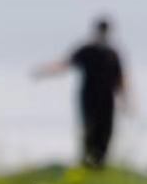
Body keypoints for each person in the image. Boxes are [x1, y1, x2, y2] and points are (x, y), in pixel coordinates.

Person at [32, 17, 133, 168]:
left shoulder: (107, 52)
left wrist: (126, 100)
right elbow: (65, 64)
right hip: (92, 97)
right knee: (92, 129)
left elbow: (120, 79)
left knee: (103, 131)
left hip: (100, 98)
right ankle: (90, 164)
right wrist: (45, 71)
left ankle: (98, 165)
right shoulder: (94, 50)